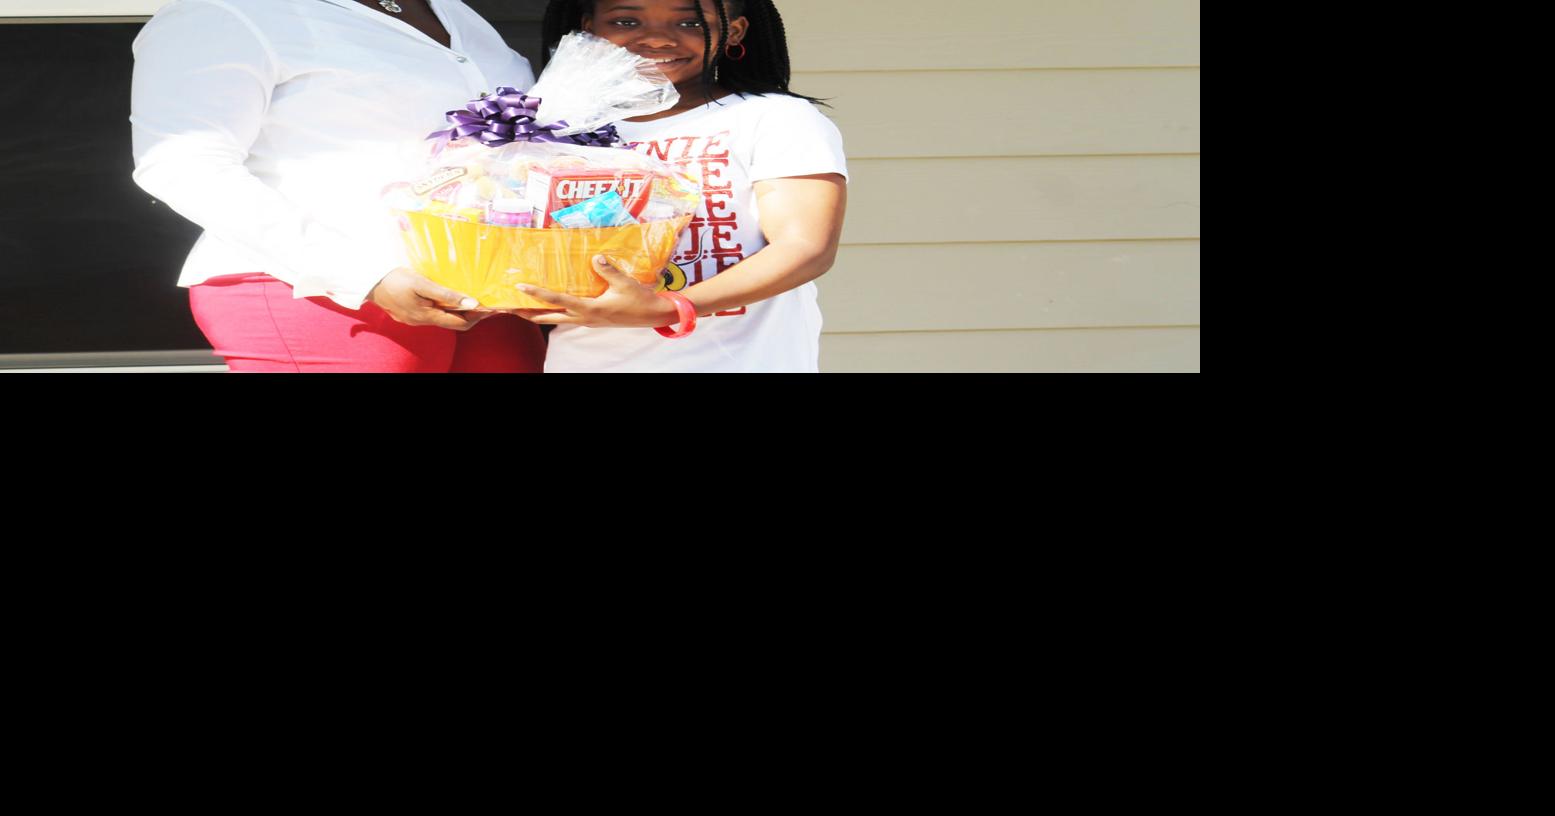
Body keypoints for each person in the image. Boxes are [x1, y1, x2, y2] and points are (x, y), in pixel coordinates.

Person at [130, 0, 546, 373]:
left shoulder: (453, 13)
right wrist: (364, 274)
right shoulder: (227, 12)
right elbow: (182, 164)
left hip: (478, 290)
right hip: (320, 289)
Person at [515, 0, 849, 373]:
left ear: (733, 32)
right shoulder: (555, 128)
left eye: (690, 23)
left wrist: (671, 307)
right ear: (589, 27)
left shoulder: (773, 118)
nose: (657, 39)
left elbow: (805, 247)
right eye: (626, 20)